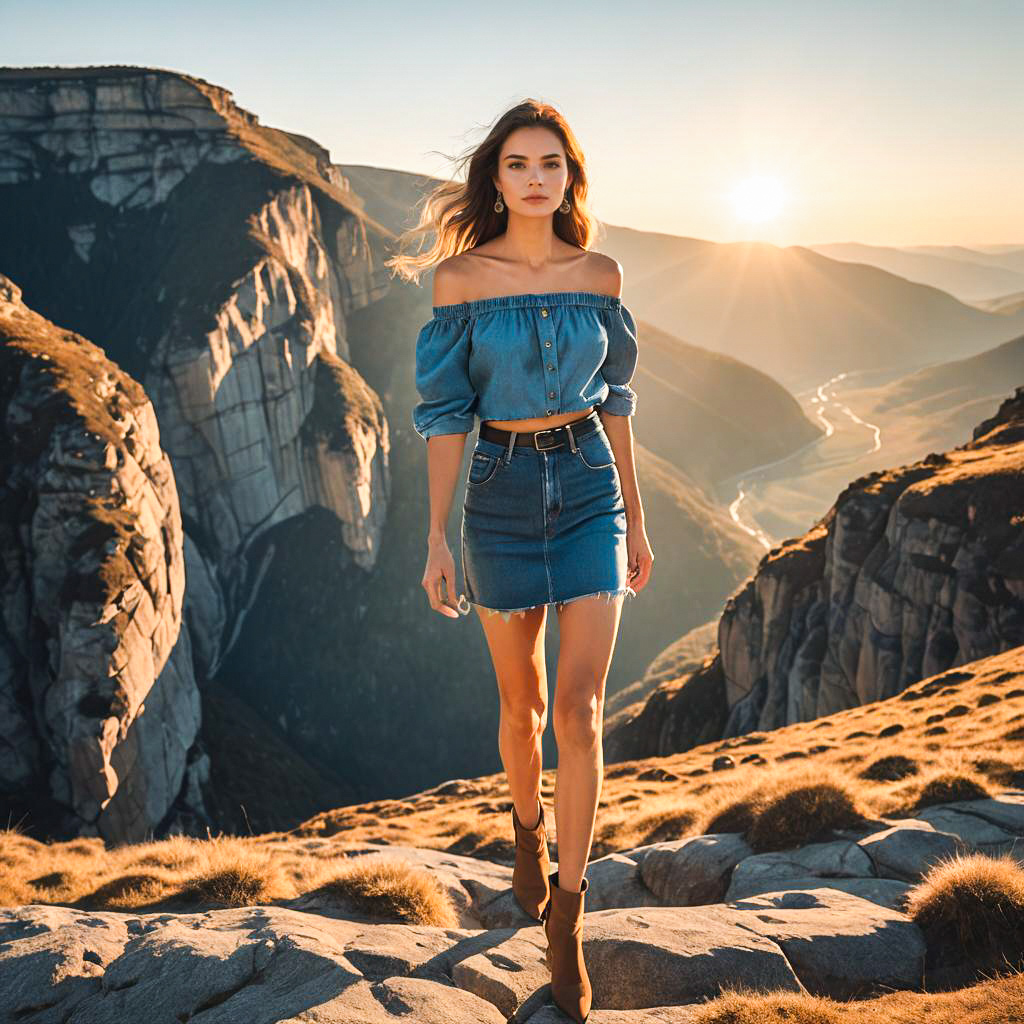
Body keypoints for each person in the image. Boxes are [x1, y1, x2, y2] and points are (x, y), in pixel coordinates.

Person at [387, 98, 653, 1023]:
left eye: (551, 163)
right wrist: (434, 539)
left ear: (570, 177)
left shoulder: (602, 273)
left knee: (578, 712)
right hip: (498, 494)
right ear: (495, 179)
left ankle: (566, 929)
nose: (536, 178)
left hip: (588, 487)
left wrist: (640, 521)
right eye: (517, 165)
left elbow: (616, 400)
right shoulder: (459, 280)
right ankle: (527, 833)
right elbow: (444, 415)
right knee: (522, 707)